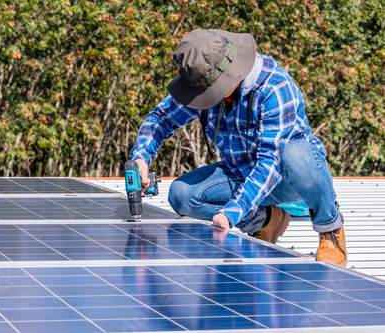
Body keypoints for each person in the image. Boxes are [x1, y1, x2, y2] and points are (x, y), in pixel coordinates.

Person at [129, 29, 347, 266]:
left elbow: (270, 162)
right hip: (239, 173)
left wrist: (233, 212)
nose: (201, 98)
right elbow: (162, 118)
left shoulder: (275, 87)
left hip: (288, 177)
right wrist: (141, 156)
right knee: (181, 195)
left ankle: (330, 228)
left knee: (295, 154)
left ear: (229, 75)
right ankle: (264, 221)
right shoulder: (202, 78)